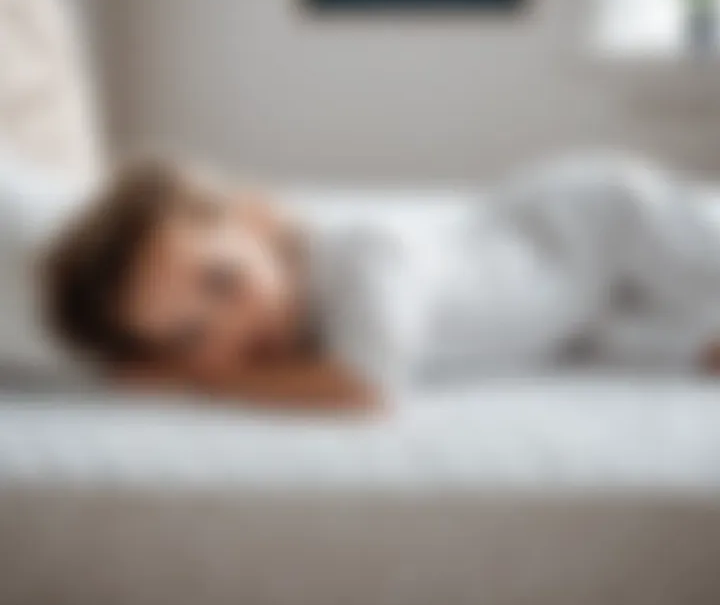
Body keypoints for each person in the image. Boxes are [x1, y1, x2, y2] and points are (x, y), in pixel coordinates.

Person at [43, 153, 720, 413]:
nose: (230, 327)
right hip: (575, 315)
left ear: (254, 220)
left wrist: (203, 378)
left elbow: (368, 386)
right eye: (189, 335)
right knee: (648, 344)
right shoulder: (298, 329)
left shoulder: (363, 254)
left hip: (585, 223)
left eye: (223, 280)